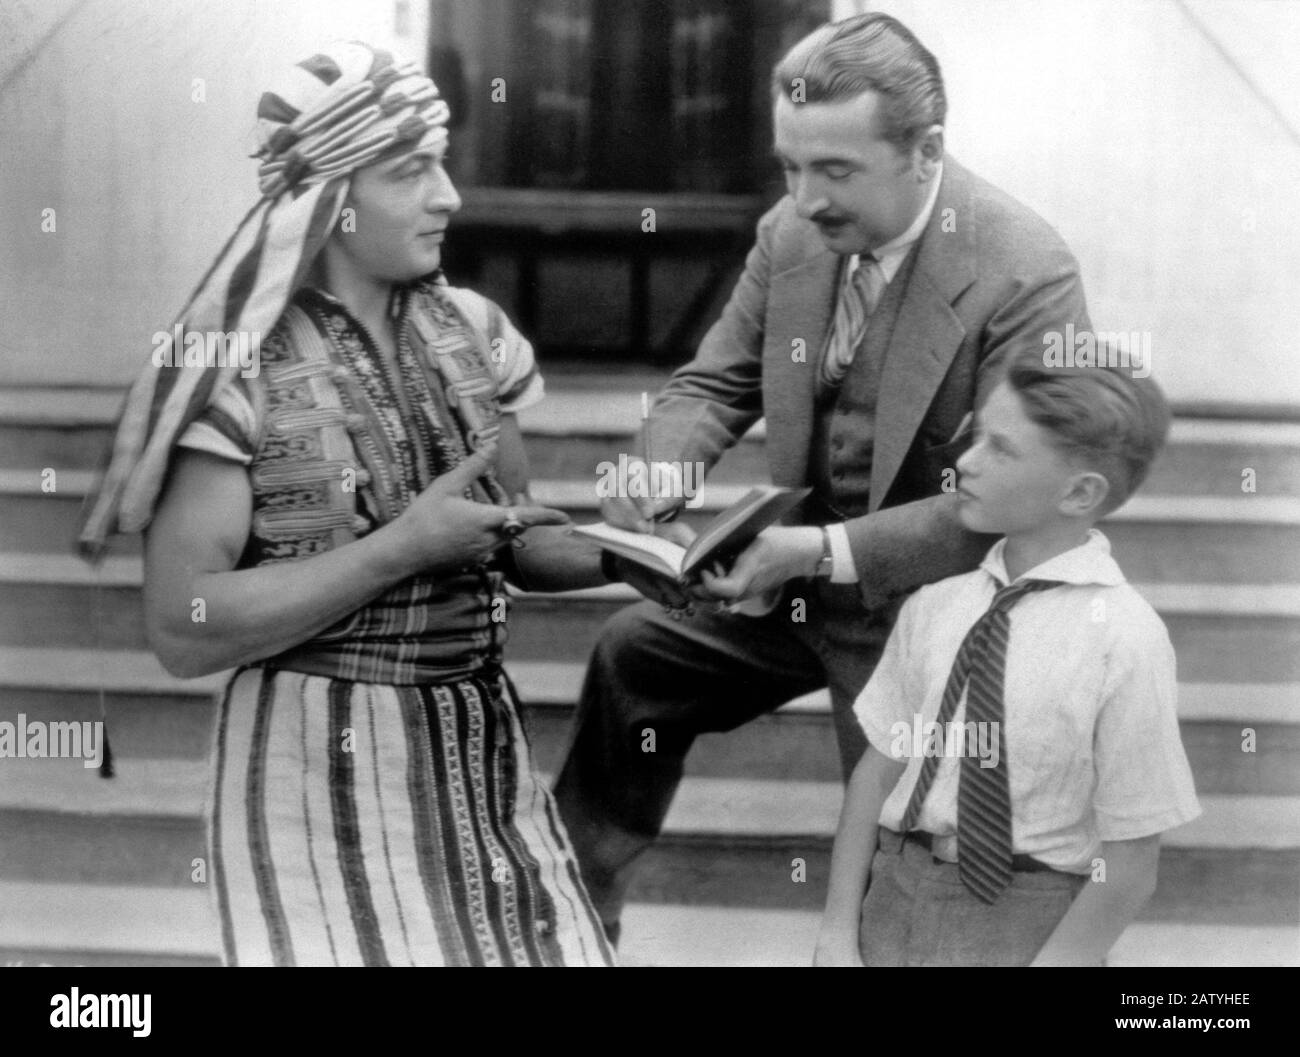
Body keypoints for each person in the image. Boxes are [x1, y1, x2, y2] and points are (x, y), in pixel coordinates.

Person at [554, 12, 1094, 942]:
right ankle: (576, 906)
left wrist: (818, 550)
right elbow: (712, 382)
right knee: (634, 655)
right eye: (789, 167)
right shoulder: (790, 234)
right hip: (794, 596)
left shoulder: (1024, 268)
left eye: (835, 171)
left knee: (905, 859)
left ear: (925, 152)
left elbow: (1015, 496)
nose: (804, 200)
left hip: (943, 613)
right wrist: (655, 472)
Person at [80, 42, 615, 967]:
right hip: (313, 777)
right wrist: (399, 548)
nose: (448, 195)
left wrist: (628, 557)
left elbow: (513, 534)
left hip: (480, 756)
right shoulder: (233, 373)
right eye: (410, 171)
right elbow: (180, 624)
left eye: (440, 162)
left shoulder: (475, 333)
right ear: (328, 199)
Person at [814, 351, 1200, 967]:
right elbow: (876, 777)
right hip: (892, 899)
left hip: (1028, 922)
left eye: (1001, 449)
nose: (965, 462)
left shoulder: (1125, 638)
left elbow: (1130, 867)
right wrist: (837, 934)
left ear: (1079, 493)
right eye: (975, 438)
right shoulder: (935, 605)